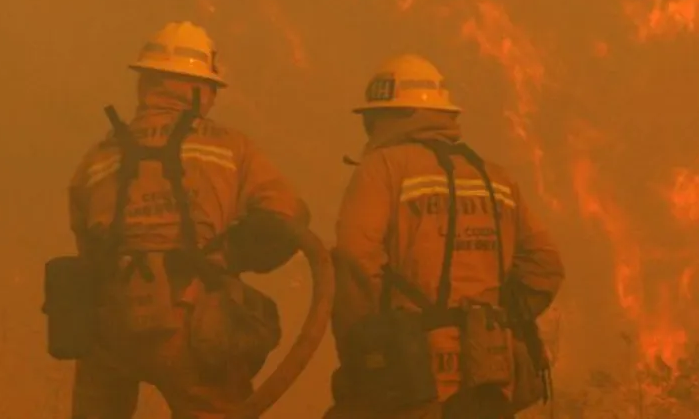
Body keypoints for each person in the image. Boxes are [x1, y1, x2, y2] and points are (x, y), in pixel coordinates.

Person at [67, 21, 311, 419]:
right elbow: (288, 216)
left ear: (146, 84)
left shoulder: (96, 158)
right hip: (193, 322)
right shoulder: (229, 147)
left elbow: (86, 243)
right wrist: (232, 254)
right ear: (198, 89)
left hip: (110, 323)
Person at [326, 54, 565, 419]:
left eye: (373, 118)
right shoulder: (494, 177)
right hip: (491, 372)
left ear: (394, 115)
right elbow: (545, 267)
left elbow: (355, 260)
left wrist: (362, 345)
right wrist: (494, 318)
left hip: (410, 374)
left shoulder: (384, 168)